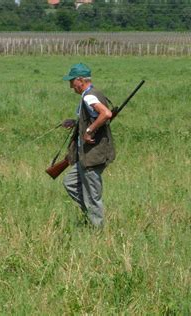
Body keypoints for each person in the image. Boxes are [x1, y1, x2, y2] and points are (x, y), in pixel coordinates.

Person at [61, 63, 115, 228]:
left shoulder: (88, 96)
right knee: (70, 182)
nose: (71, 86)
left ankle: (97, 231)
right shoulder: (92, 93)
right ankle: (92, 216)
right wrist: (77, 123)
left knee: (92, 195)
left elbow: (106, 113)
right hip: (86, 156)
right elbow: (94, 116)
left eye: (72, 82)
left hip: (92, 155)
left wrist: (89, 130)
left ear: (80, 80)